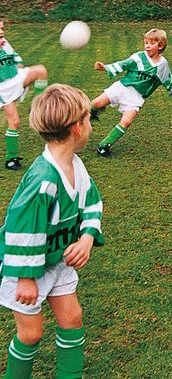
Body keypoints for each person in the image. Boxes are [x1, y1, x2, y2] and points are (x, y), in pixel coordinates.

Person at [0, 84, 104, 378]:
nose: (90, 126)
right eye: (87, 119)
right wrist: (25, 278)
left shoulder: (76, 165)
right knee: (30, 334)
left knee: (72, 318)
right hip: (24, 270)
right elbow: (22, 228)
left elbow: (93, 202)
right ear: (76, 128)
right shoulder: (43, 179)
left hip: (58, 261)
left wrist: (85, 239)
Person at [90, 28, 172, 157]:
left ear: (160, 46)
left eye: (151, 43)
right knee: (97, 103)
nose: (147, 46)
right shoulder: (138, 57)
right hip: (122, 87)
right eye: (146, 43)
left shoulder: (162, 64)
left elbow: (168, 78)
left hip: (136, 97)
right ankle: (75, 120)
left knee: (127, 121)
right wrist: (104, 67)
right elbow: (123, 64)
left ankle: (104, 146)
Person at [0, 18, 48, 170]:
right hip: (3, 89)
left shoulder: (4, 42)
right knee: (14, 122)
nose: (2, 32)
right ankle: (11, 158)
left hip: (16, 77)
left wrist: (18, 65)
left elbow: (15, 58)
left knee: (40, 71)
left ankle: (36, 105)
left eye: (2, 29)